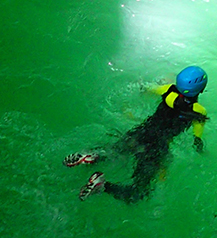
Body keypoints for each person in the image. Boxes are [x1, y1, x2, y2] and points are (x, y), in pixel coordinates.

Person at [65, 65, 209, 203]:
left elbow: (146, 88)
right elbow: (197, 139)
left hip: (142, 132)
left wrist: (141, 85)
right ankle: (102, 186)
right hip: (157, 147)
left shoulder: (168, 90)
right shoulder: (199, 112)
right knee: (139, 193)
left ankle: (93, 156)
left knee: (115, 152)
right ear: (201, 89)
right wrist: (201, 151)